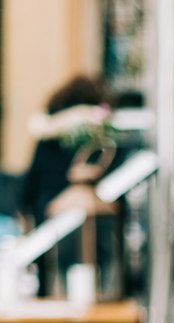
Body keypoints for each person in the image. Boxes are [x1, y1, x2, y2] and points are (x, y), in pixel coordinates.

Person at [20, 74, 111, 227]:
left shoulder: (48, 134)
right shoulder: (94, 137)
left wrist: (25, 208)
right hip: (82, 212)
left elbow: (32, 180)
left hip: (46, 210)